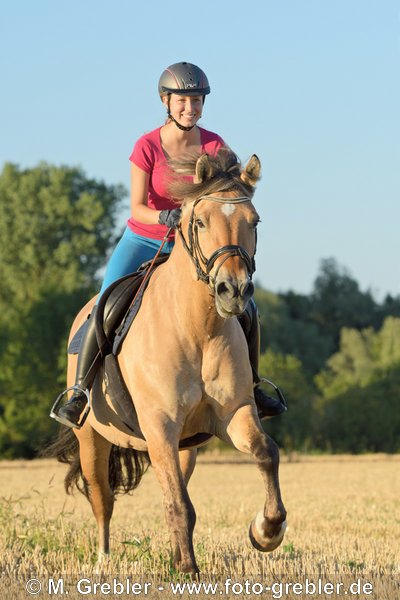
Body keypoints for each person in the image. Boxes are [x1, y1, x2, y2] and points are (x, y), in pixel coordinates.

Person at [50, 61, 286, 429]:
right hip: (144, 240)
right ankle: (79, 391)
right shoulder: (145, 146)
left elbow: (228, 195)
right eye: (182, 100)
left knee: (247, 307)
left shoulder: (215, 145)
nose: (190, 108)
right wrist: (165, 218)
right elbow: (138, 207)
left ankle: (253, 387)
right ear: (165, 101)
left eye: (196, 101)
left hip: (196, 249)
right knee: (104, 303)